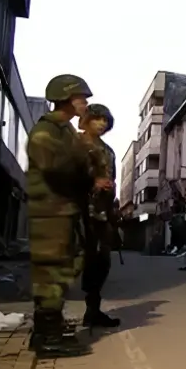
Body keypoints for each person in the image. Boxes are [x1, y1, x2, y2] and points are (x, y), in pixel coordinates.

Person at [26, 74, 109, 358]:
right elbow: (56, 168)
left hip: (62, 209)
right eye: (81, 98)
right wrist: (88, 177)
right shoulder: (46, 131)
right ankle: (47, 336)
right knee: (52, 270)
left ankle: (48, 328)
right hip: (52, 210)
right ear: (67, 99)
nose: (85, 103)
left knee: (64, 267)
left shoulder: (62, 131)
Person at [78, 103, 121, 330]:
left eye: (106, 120)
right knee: (75, 263)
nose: (102, 124)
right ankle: (48, 318)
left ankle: (92, 311)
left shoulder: (108, 151)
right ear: (86, 120)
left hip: (102, 213)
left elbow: (111, 180)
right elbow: (65, 175)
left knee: (101, 262)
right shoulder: (75, 145)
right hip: (79, 211)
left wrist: (113, 205)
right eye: (97, 119)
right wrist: (93, 184)